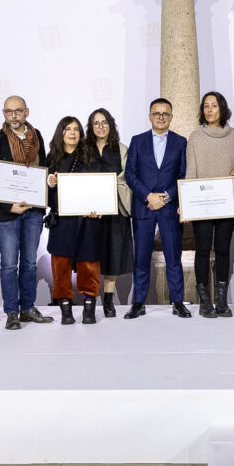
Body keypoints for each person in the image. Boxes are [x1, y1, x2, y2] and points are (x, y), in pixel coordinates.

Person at [0, 95, 55, 330]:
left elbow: (41, 168)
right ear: (4, 113)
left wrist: (47, 184)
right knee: (9, 265)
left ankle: (28, 308)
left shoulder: (37, 136)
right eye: (9, 111)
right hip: (8, 213)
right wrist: (7, 206)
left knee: (30, 263)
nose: (13, 116)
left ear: (27, 112)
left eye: (18, 111)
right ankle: (12, 312)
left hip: (33, 210)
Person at [124, 98, 190, 319]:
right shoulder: (137, 141)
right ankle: (138, 303)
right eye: (157, 113)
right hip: (144, 206)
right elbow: (130, 174)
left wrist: (168, 196)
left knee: (174, 257)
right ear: (150, 116)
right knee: (141, 258)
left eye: (165, 113)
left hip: (169, 207)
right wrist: (148, 196)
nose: (161, 117)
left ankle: (178, 302)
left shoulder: (181, 142)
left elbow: (183, 174)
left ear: (171, 117)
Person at [185, 91, 234, 318]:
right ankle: (204, 301)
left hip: (227, 202)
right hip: (202, 203)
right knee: (202, 250)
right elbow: (191, 172)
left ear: (222, 108)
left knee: (222, 250)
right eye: (206, 106)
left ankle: (221, 300)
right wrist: (187, 202)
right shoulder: (195, 137)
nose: (209, 110)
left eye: (214, 105)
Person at [45, 117, 104, 325]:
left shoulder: (91, 156)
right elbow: (46, 199)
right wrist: (50, 184)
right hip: (62, 221)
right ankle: (65, 309)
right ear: (60, 133)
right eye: (68, 129)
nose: (72, 133)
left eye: (76, 129)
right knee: (60, 265)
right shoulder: (51, 159)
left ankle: (89, 308)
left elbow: (100, 188)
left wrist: (100, 208)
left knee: (89, 265)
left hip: (88, 221)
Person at [85, 108, 134, 318]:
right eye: (96, 123)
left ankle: (107, 299)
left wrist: (110, 187)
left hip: (115, 210)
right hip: (90, 212)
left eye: (104, 122)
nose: (101, 127)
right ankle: (90, 298)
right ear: (91, 127)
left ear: (111, 124)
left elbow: (126, 177)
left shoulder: (121, 149)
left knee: (112, 256)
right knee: (92, 256)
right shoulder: (84, 149)